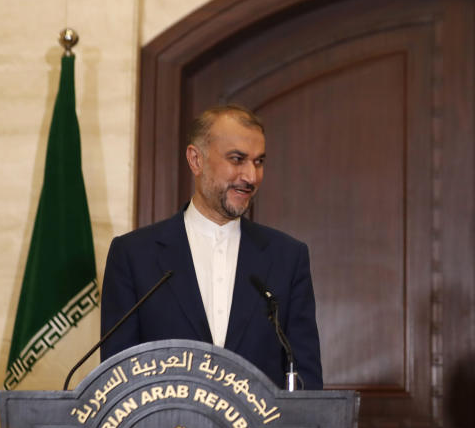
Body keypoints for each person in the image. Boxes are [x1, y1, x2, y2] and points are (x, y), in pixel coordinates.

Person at [100, 105, 322, 388]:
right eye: (237, 159)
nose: (251, 177)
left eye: (259, 162)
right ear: (196, 160)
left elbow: (306, 381)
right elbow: (116, 378)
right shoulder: (134, 255)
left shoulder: (287, 258)